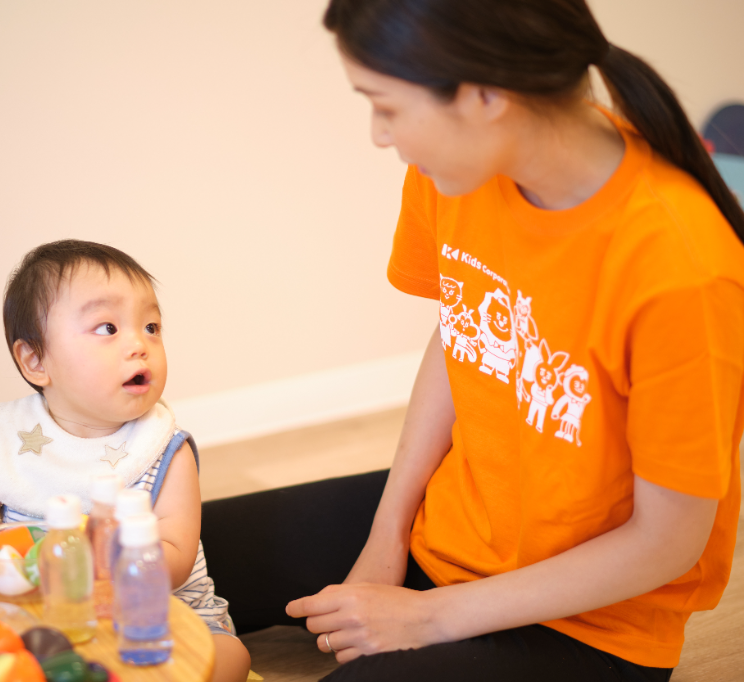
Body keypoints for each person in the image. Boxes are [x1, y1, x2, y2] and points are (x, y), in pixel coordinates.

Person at [285, 1, 744, 680]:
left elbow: (668, 542)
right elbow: (461, 333)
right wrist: (387, 537)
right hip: (456, 530)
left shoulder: (684, 269)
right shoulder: (461, 169)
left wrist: (425, 617)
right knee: (172, 543)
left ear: (485, 96)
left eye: (385, 106)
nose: (380, 135)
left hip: (591, 626)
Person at [0, 240, 251, 682]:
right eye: (108, 328)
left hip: (160, 620)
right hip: (42, 616)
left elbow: (176, 557)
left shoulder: (166, 449)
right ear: (35, 360)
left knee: (228, 657)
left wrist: (87, 562)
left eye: (151, 326)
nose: (139, 345)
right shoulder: (9, 443)